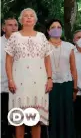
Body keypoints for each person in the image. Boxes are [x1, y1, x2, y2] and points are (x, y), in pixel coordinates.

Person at [5, 8, 53, 138]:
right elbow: (8, 60)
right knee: (19, 119)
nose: (28, 17)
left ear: (35, 20)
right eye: (25, 16)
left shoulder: (42, 37)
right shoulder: (15, 37)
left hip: (39, 82)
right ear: (21, 20)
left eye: (31, 16)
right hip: (19, 81)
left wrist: (49, 79)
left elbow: (47, 59)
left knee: (35, 119)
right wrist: (10, 79)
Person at [46, 19, 78, 138]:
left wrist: (75, 88)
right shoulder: (43, 46)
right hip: (50, 85)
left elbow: (73, 69)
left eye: (59, 27)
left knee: (67, 115)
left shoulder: (69, 47)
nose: (57, 29)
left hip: (66, 84)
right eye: (53, 27)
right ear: (48, 31)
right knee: (53, 114)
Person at [1, 17, 18, 138]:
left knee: (17, 122)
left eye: (16, 25)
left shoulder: (24, 43)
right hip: (3, 90)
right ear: (3, 28)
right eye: (10, 25)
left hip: (19, 90)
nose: (13, 27)